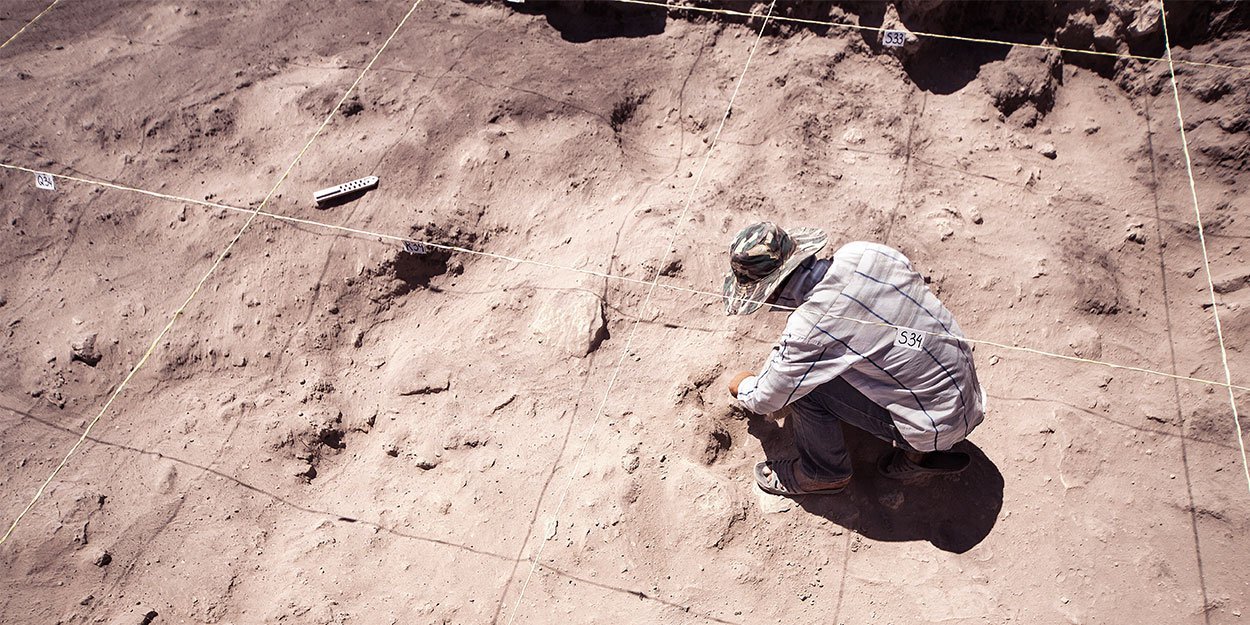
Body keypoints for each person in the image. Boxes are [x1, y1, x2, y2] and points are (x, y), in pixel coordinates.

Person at [723, 222, 985, 497]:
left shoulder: (810, 327)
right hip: (967, 394)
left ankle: (823, 474)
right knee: (888, 351)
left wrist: (743, 387)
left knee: (804, 389)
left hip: (933, 425)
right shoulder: (863, 253)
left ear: (771, 292)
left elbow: (767, 398)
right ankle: (917, 456)